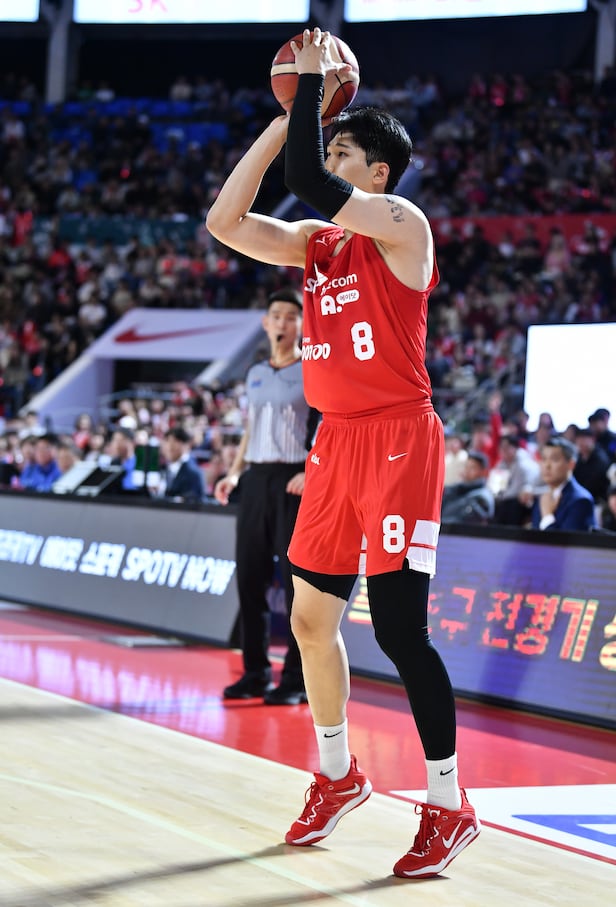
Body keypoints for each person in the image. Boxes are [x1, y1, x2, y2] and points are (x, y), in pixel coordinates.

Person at [206, 28, 479, 879]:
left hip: (399, 438)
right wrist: (282, 116)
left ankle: (450, 803)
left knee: (398, 628)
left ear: (379, 173)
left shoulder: (403, 227)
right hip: (336, 443)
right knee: (309, 621)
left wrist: (313, 90)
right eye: (327, 144)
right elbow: (224, 221)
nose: (329, 155)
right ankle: (337, 774)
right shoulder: (317, 246)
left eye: (343, 150)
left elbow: (308, 181)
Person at [214, 288, 317, 707]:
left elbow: (330, 423)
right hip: (256, 479)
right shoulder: (255, 373)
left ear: (302, 325)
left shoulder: (313, 369)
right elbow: (250, 428)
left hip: (293, 481)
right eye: (277, 316)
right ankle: (255, 673)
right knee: (250, 578)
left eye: (291, 317)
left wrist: (312, 470)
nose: (283, 323)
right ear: (266, 323)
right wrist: (235, 472)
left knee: (295, 585)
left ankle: (295, 679)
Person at [531, 437, 596, 532]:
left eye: (554, 459)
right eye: (544, 459)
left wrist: (547, 516)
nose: (547, 465)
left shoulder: (580, 500)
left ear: (571, 464)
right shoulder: (543, 497)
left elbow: (567, 540)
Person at [441, 450, 495, 525]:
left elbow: (464, 523)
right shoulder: (454, 490)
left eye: (472, 468)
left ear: (483, 472)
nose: (467, 471)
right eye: (466, 467)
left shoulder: (482, 498)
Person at [161, 426, 205, 502]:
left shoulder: (193, 472)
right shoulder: (164, 468)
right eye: (167, 441)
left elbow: (197, 500)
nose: (170, 446)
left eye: (175, 441)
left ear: (186, 445)